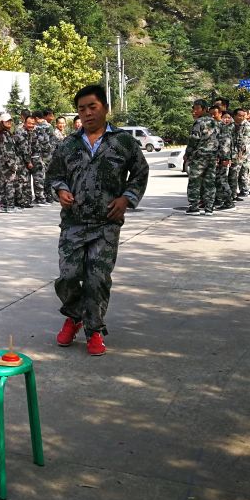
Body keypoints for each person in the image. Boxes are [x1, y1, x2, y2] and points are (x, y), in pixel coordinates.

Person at [48, 85, 148, 356]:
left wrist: (126, 198)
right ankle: (75, 315)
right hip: (74, 222)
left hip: (106, 223)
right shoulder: (68, 144)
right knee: (68, 277)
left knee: (97, 279)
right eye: (82, 109)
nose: (87, 113)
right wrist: (61, 190)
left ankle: (93, 329)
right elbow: (54, 175)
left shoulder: (123, 142)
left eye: (92, 107)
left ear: (105, 107)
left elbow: (140, 173)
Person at [184, 100, 219, 215]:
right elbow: (219, 139)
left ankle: (194, 207)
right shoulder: (215, 122)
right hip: (212, 155)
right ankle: (209, 208)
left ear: (204, 109)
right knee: (210, 182)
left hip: (200, 156)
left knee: (195, 181)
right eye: (194, 108)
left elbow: (194, 139)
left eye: (197, 108)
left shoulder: (199, 122)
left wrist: (187, 154)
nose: (194, 110)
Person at [0, 113, 20, 213]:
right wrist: (12, 165)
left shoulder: (1, 134)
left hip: (1, 164)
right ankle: (10, 206)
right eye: (6, 121)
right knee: (9, 185)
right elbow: (7, 152)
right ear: (2, 122)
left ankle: (3, 206)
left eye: (10, 121)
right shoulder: (4, 134)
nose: (9, 122)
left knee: (3, 185)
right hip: (7, 164)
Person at [214, 110, 236, 211]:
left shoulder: (225, 128)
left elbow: (226, 145)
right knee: (218, 180)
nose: (226, 120)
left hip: (223, 158)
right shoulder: (219, 126)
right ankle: (220, 200)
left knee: (222, 180)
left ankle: (229, 202)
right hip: (219, 158)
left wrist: (226, 158)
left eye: (228, 117)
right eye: (224, 118)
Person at [234, 107, 250, 198]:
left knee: (244, 171)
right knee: (240, 171)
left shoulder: (248, 126)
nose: (242, 117)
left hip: (244, 152)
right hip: (239, 152)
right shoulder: (235, 125)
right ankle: (242, 190)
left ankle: (245, 189)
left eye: (243, 116)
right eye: (240, 116)